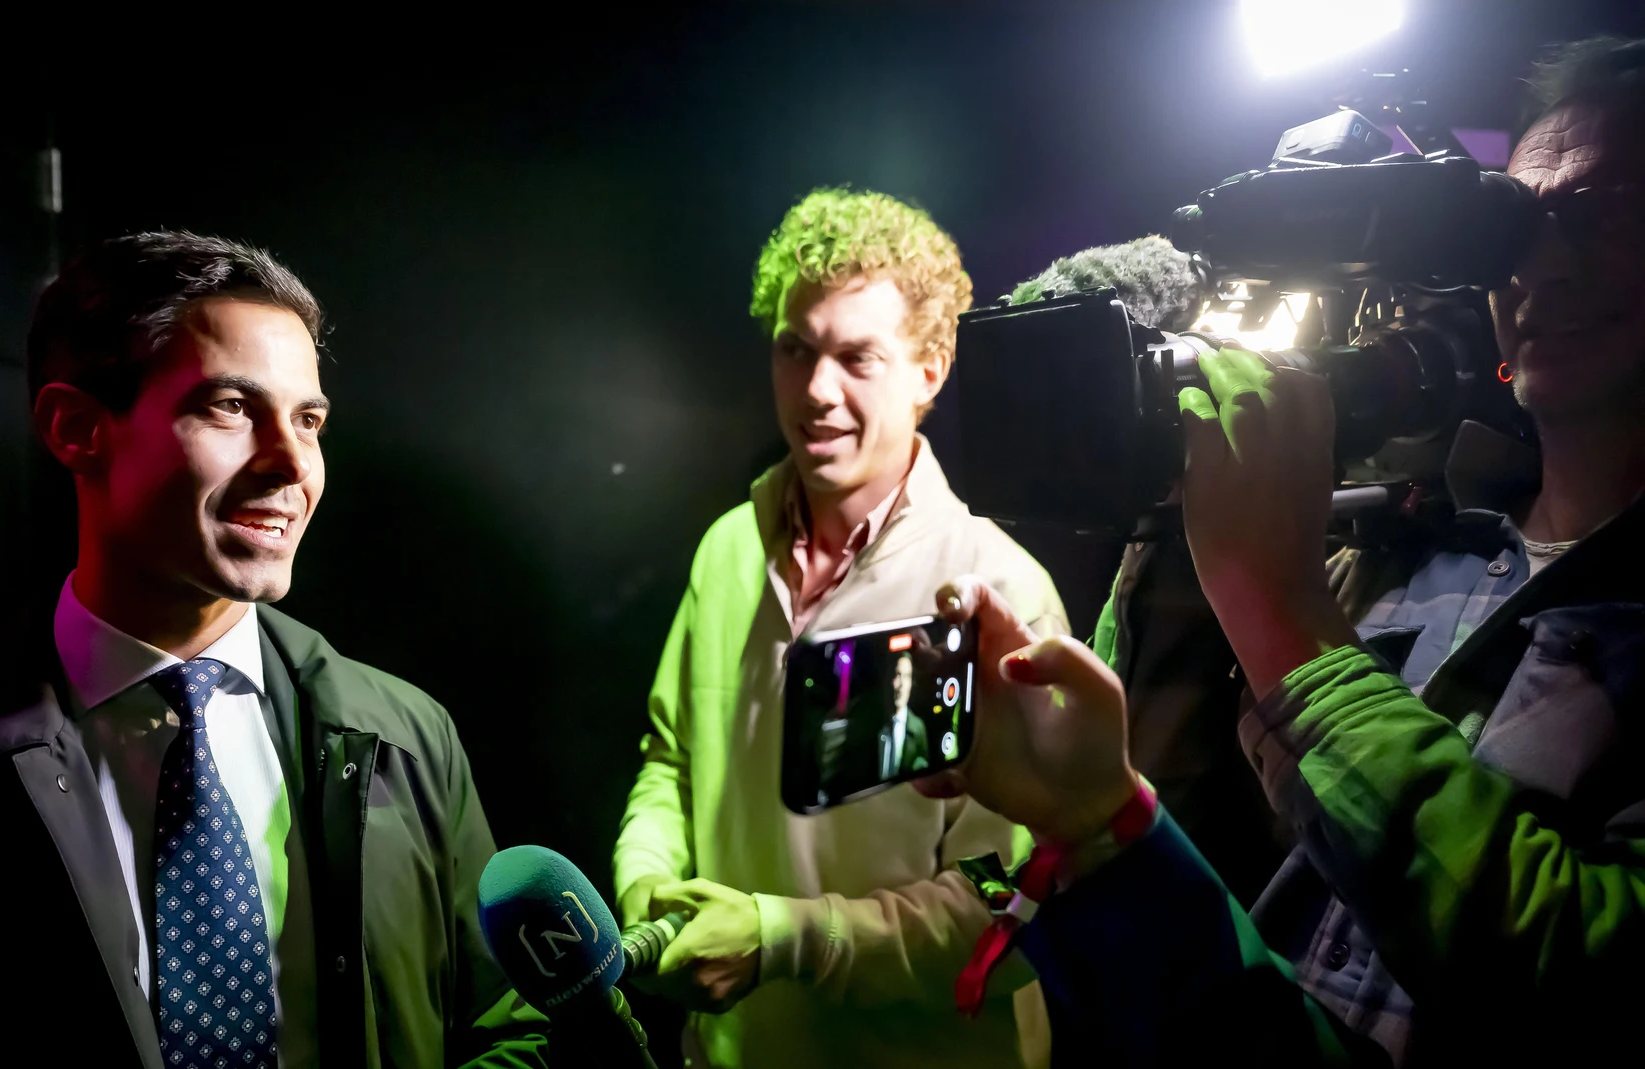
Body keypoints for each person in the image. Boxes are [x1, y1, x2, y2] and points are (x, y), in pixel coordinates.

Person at [919, 35, 1645, 1066]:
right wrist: (1095, 813)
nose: (1541, 264)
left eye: (1605, 212)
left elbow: (1581, 988)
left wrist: (1287, 626)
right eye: (1513, 225)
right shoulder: (1403, 562)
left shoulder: (1330, 591)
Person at [0, 233, 547, 1068]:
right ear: (74, 428)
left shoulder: (410, 736)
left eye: (308, 419)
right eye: (231, 407)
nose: (292, 464)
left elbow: (506, 1024)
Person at [613, 188, 1068, 1068]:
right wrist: (647, 890)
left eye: (858, 357)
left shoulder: (998, 589)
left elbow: (1017, 905)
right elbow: (669, 761)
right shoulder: (726, 552)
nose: (817, 391)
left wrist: (786, 938)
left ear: (930, 368)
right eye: (796, 349)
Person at [876, 652, 929, 780]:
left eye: (907, 677)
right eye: (897, 675)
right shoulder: (874, 722)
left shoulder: (918, 728)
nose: (901, 685)